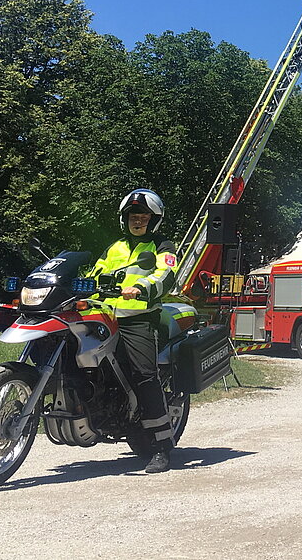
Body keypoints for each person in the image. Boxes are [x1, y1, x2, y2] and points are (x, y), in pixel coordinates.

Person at [84, 189, 180, 473]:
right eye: (133, 217)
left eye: (144, 217)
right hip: (105, 316)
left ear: (154, 220)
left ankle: (162, 446)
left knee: (144, 375)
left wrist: (140, 287)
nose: (138, 221)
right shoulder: (115, 247)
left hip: (138, 318)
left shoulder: (162, 246)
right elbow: (96, 273)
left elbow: (166, 274)